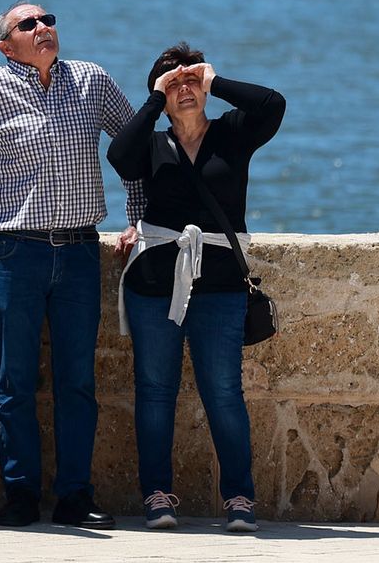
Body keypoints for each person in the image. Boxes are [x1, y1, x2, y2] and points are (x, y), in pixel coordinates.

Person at [0, 1, 142, 529]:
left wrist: (139, 217)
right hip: (16, 253)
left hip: (83, 250)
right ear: (6, 44)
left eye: (49, 20)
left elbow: (135, 147)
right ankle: (20, 494)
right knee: (14, 381)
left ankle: (75, 497)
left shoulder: (91, 80)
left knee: (77, 382)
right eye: (28, 25)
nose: (43, 29)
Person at [106, 43, 285, 533]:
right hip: (153, 286)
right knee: (155, 392)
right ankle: (157, 496)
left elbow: (272, 105)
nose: (183, 89)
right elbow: (119, 157)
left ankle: (239, 498)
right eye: (172, 84)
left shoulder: (233, 135)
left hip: (222, 286)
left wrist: (215, 80)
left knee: (224, 391)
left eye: (191, 82)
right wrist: (153, 99)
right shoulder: (152, 144)